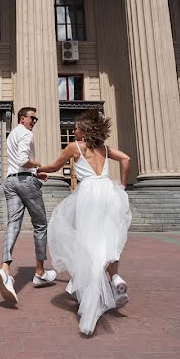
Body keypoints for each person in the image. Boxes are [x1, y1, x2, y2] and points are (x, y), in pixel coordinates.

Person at [37, 108, 132, 335]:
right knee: (106, 238)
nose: (74, 130)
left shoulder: (75, 147)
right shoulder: (104, 149)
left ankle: (90, 296)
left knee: (87, 241)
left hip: (88, 193)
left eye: (76, 128)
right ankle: (115, 276)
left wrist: (39, 170)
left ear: (84, 131)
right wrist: (123, 185)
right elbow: (126, 159)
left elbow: (53, 167)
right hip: (108, 191)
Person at [0, 106, 57, 304]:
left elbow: (17, 163)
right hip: (26, 183)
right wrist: (38, 166)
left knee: (13, 224)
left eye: (35, 119)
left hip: (11, 181)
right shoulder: (26, 135)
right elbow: (23, 160)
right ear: (22, 119)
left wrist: (34, 172)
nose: (34, 122)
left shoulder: (12, 135)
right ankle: (39, 272)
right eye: (32, 118)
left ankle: (5, 269)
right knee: (40, 224)